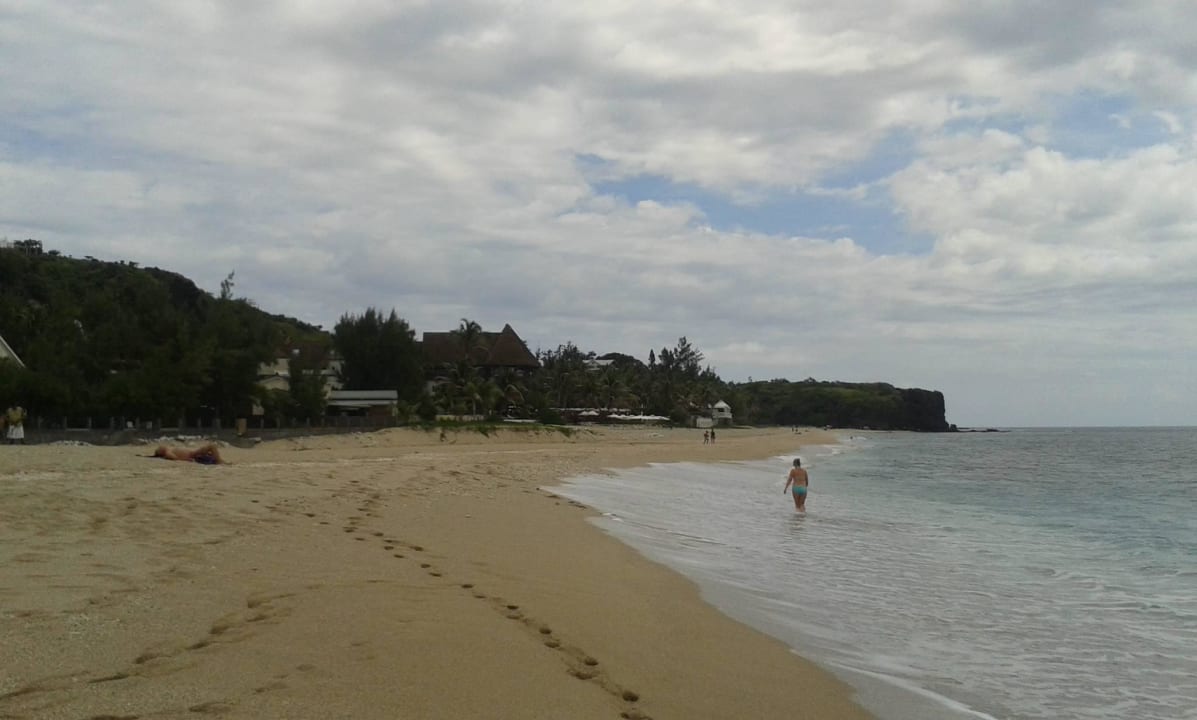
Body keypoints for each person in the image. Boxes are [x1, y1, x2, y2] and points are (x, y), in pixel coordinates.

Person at [152, 443, 226, 465]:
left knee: (211, 450)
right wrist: (186, 459)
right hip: (193, 453)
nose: (160, 446)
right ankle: (219, 461)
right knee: (212, 446)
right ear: (161, 452)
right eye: (159, 448)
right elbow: (174, 458)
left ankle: (220, 461)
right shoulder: (167, 452)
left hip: (194, 453)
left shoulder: (169, 449)